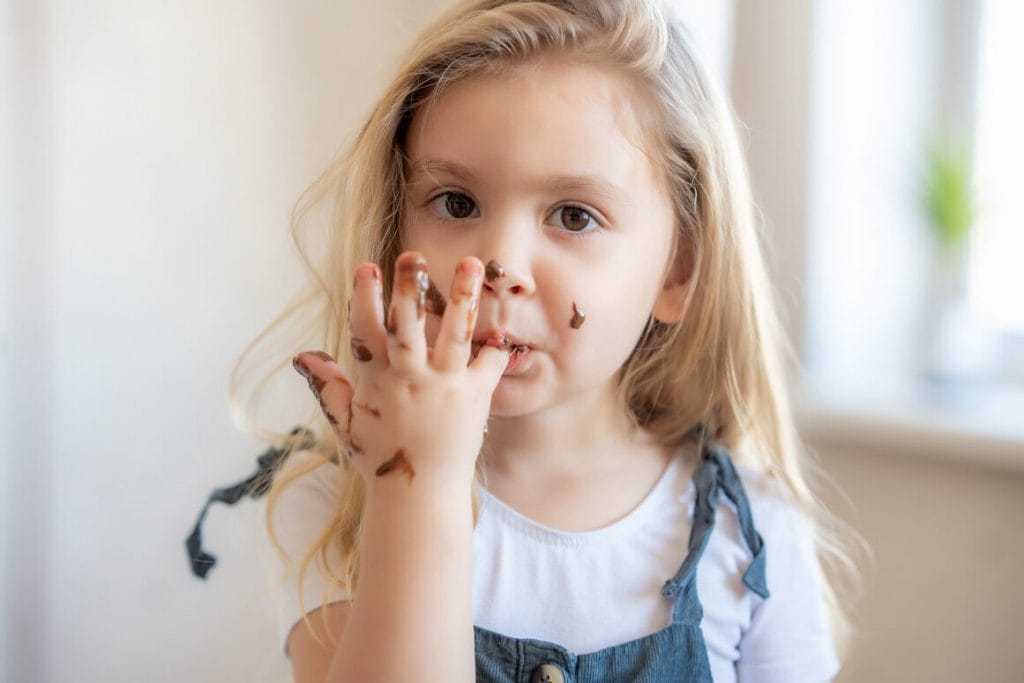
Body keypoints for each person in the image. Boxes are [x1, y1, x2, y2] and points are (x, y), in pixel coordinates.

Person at [237, 1, 858, 680]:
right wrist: (418, 491)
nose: (498, 266)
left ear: (678, 270)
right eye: (456, 203)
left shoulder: (751, 537)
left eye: (573, 215)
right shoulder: (338, 505)